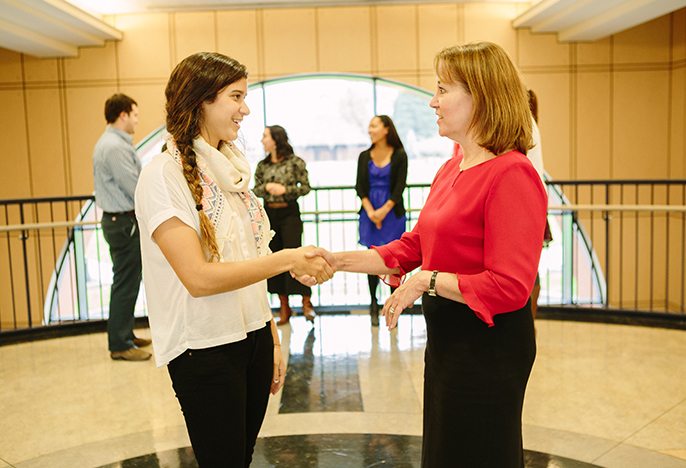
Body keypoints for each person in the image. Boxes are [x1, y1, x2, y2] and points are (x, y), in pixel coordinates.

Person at [307, 41, 547, 467]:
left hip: (487, 346)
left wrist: (427, 280)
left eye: (442, 89)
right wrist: (336, 259)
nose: (433, 102)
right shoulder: (451, 167)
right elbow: (416, 245)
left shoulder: (513, 172)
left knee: (480, 452)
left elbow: (511, 287)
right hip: (449, 338)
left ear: (482, 96)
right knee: (446, 449)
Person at [134, 52, 333, 467]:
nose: (245, 109)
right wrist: (288, 260)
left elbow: (250, 257)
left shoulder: (232, 170)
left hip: (253, 336)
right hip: (205, 348)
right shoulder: (162, 177)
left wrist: (272, 338)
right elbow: (198, 278)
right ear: (202, 100)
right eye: (236, 96)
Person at [92, 93, 152, 361]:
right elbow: (134, 187)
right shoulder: (114, 146)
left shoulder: (113, 143)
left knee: (127, 281)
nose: (138, 121)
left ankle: (125, 334)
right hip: (123, 221)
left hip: (121, 221)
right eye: (135, 115)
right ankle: (119, 344)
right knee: (125, 284)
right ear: (123, 115)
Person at [253, 125, 315, 325]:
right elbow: (255, 190)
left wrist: (285, 190)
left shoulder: (295, 162)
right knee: (275, 259)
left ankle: (307, 302)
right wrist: (268, 188)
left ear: (276, 139)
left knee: (297, 255)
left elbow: (305, 187)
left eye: (265, 137)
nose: (262, 140)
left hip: (289, 212)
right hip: (269, 215)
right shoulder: (262, 165)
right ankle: (284, 307)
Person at [355, 115, 408, 326]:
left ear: (386, 129)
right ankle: (373, 304)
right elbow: (360, 187)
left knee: (394, 261)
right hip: (369, 214)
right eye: (369, 126)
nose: (370, 130)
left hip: (392, 214)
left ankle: (393, 305)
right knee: (372, 259)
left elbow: (399, 189)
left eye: (374, 126)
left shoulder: (400, 155)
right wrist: (371, 213)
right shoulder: (364, 156)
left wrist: (382, 213)